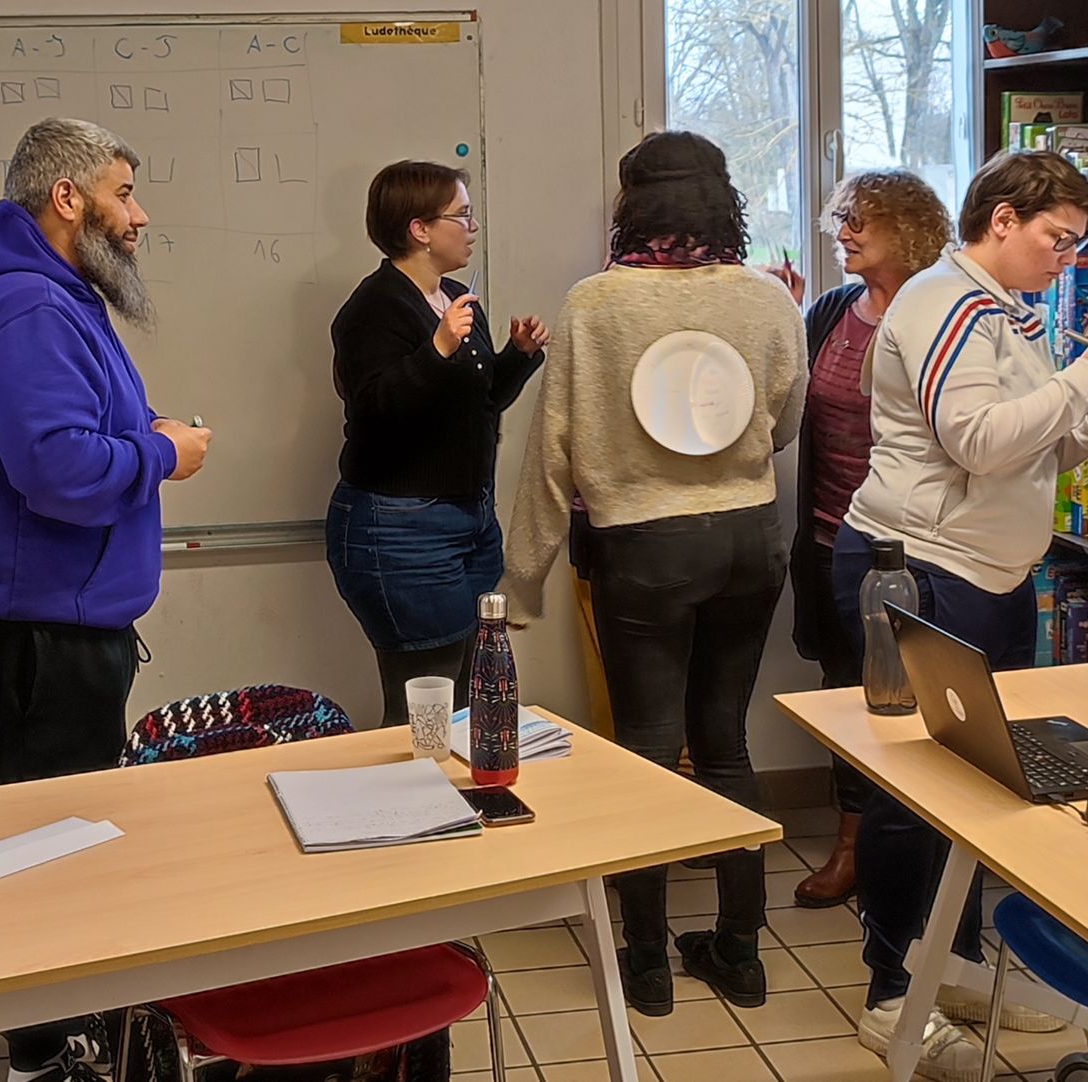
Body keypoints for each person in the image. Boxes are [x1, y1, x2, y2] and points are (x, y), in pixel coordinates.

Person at [835, 150, 1088, 1078]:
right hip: (926, 568)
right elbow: (970, 440)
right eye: (1058, 239)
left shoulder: (1008, 313)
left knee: (972, 787)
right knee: (912, 791)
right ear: (1001, 219)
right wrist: (1087, 375)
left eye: (1077, 244)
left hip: (992, 573)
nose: (1066, 258)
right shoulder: (943, 301)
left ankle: (953, 966)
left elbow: (1028, 459)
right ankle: (893, 994)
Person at [0, 118, 208, 1082]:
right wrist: (166, 453)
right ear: (67, 199)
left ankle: (55, 1041)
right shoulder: (33, 307)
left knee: (44, 853)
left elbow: (65, 436)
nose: (141, 215)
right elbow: (58, 472)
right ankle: (50, 1056)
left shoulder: (43, 297)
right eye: (125, 193)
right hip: (28, 641)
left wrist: (140, 429)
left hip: (36, 628)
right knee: (43, 865)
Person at [503, 131, 808, 1014]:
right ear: (725, 205)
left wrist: (522, 578)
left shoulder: (595, 304)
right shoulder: (765, 301)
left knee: (643, 749)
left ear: (631, 204)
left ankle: (643, 963)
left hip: (644, 546)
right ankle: (741, 953)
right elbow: (781, 421)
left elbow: (551, 452)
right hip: (750, 536)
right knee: (725, 741)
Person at [775, 171, 954, 910]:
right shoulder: (833, 310)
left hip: (914, 546)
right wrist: (782, 318)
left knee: (915, 706)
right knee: (845, 693)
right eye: (842, 219)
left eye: (861, 221)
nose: (843, 232)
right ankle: (851, 845)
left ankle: (911, 859)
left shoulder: (941, 315)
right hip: (830, 540)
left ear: (909, 231)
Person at [327, 161, 548, 725]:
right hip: (401, 529)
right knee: (422, 705)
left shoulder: (453, 297)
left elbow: (479, 403)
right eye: (461, 216)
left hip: (469, 522)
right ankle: (407, 813)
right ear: (419, 229)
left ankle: (464, 806)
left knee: (469, 695)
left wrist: (517, 357)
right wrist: (439, 348)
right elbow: (377, 411)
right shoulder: (372, 309)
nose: (472, 227)